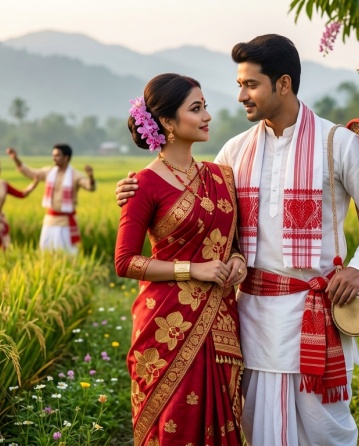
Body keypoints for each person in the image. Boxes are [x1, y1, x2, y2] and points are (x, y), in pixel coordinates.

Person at [116, 35, 359, 445]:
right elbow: (194, 202)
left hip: (314, 315)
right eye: (239, 85)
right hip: (251, 321)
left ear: (282, 84)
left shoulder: (337, 143)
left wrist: (358, 269)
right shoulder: (234, 151)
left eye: (250, 85)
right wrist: (132, 193)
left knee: (326, 432)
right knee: (259, 430)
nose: (240, 96)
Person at [114, 73, 247, 446]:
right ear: (168, 123)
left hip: (218, 318)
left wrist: (237, 262)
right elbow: (125, 261)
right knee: (176, 421)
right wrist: (194, 270)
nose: (207, 116)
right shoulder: (144, 185)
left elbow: (232, 243)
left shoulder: (221, 177)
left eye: (205, 106)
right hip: (167, 323)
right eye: (196, 108)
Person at [6, 144, 95, 255]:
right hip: (49, 220)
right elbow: (29, 172)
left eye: (57, 155)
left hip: (65, 222)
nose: (54, 158)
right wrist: (15, 158)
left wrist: (90, 176)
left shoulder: (75, 175)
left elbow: (90, 187)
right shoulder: (49, 172)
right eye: (53, 155)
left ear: (66, 157)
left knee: (67, 253)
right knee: (46, 252)